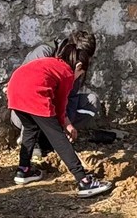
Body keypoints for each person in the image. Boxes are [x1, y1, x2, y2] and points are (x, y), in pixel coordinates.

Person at [7, 31, 113, 197]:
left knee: (30, 129)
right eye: (81, 73)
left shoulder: (51, 62)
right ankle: (84, 181)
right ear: (78, 67)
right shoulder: (67, 73)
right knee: (59, 139)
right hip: (34, 95)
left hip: (15, 91)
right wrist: (65, 126)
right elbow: (60, 104)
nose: (79, 77)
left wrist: (67, 123)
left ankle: (24, 170)